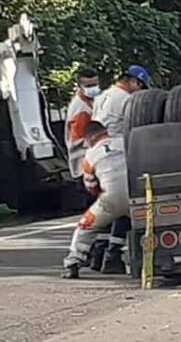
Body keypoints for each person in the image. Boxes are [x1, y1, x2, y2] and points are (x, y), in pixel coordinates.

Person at [91, 64, 150, 273]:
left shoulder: (103, 96)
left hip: (98, 155)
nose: (140, 91)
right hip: (115, 156)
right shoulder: (126, 100)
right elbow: (135, 128)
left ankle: (98, 254)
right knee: (124, 207)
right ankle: (112, 255)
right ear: (132, 81)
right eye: (140, 86)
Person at [61, 122, 128, 279]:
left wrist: (101, 195)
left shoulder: (90, 156)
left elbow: (90, 185)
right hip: (138, 195)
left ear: (91, 137)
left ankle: (72, 263)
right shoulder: (125, 142)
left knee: (84, 227)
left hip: (110, 199)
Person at [63, 67, 112, 270]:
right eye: (89, 85)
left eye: (95, 84)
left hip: (89, 165)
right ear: (80, 85)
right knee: (97, 212)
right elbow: (80, 139)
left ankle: (95, 254)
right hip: (84, 166)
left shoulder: (89, 103)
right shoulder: (81, 109)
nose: (93, 88)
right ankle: (92, 254)